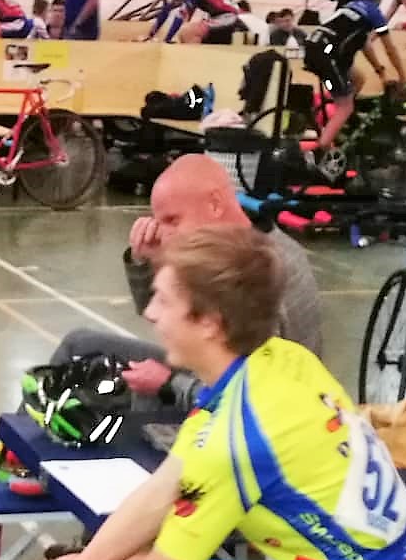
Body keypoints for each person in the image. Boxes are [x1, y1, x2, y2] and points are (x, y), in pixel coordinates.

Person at [30, 228, 406, 560]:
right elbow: (159, 491)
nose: (150, 313)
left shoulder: (238, 439)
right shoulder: (279, 360)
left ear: (209, 322)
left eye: (163, 300)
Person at [49, 151, 322, 412]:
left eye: (172, 220)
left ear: (215, 204)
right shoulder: (229, 247)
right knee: (79, 345)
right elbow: (166, 315)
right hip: (213, 380)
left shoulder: (256, 269)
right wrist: (148, 262)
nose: (163, 232)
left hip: (237, 408)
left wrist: (169, 384)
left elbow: (248, 398)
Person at [303, 0, 406, 160]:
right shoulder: (374, 13)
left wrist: (380, 72)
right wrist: (403, 77)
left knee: (358, 78)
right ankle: (319, 152)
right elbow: (390, 49)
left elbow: (365, 44)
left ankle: (337, 123)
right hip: (327, 54)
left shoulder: (353, 6)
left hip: (318, 47)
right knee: (346, 106)